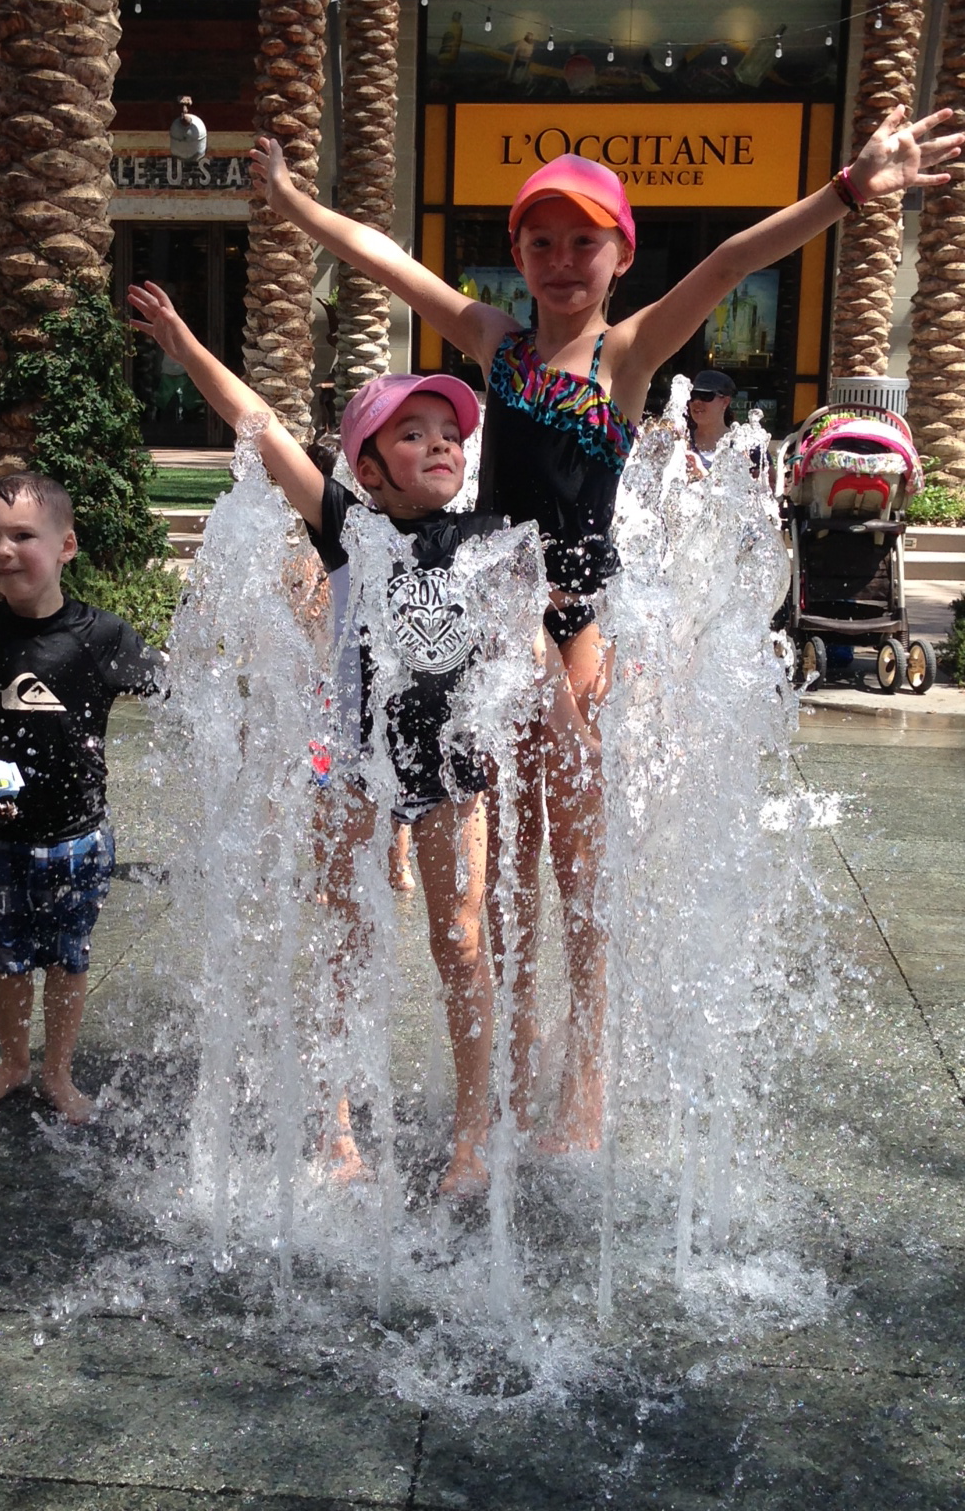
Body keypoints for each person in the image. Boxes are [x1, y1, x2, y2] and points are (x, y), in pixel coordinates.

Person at [250, 104, 962, 1151]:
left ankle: (585, 1072)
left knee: (575, 866)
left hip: (579, 632)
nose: (561, 259)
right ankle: (517, 1050)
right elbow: (389, 261)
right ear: (517, 257)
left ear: (620, 254)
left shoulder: (622, 360)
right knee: (504, 871)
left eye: (585, 240)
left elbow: (726, 263)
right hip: (494, 630)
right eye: (542, 240)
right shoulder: (494, 343)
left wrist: (850, 193)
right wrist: (292, 203)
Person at [128, 279, 547, 1197]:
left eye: (448, 434)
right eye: (412, 433)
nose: (438, 445)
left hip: (452, 769)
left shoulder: (484, 535)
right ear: (368, 465)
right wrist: (184, 343)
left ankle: (474, 1134)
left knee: (461, 942)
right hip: (352, 767)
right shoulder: (346, 531)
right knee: (347, 943)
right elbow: (262, 425)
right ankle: (335, 1133)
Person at [0, 474, 162, 1124]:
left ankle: (57, 1073)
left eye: (22, 536)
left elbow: (176, 690)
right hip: (3, 834)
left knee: (66, 963)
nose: (2, 550)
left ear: (66, 545)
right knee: (7, 962)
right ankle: (14, 1063)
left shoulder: (103, 637)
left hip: (78, 837)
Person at [686, 369, 738, 476]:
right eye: (692, 395)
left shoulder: (746, 444)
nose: (696, 402)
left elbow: (769, 486)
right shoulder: (680, 442)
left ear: (725, 401)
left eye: (705, 396)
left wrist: (701, 473)